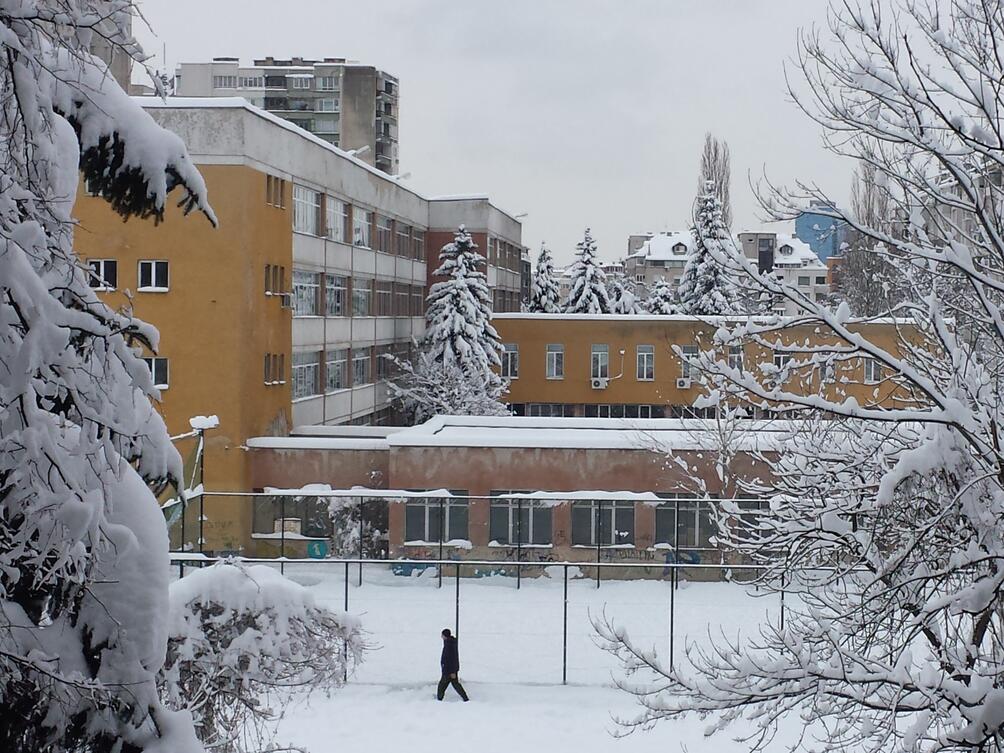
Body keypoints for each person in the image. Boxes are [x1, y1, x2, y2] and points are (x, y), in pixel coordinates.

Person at [437, 628, 469, 701]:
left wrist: (452, 672)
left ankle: (439, 699)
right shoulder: (449, 643)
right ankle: (465, 698)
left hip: (448, 670)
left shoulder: (449, 645)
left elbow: (452, 659)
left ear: (445, 636)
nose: (441, 636)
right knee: (455, 684)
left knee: (442, 685)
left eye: (442, 635)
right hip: (449, 669)